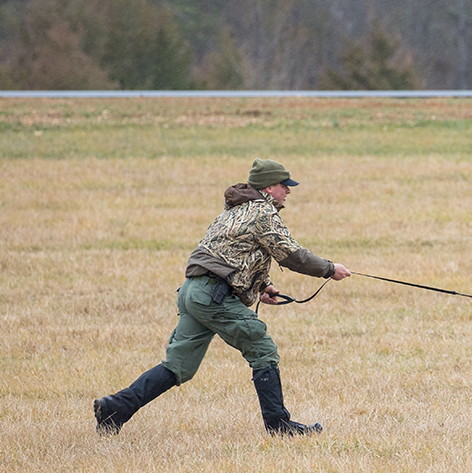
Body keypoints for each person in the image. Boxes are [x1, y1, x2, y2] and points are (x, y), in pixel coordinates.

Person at [94, 159, 352, 437]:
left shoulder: (234, 211)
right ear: (268, 187)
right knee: (262, 348)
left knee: (178, 365)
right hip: (213, 295)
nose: (288, 191)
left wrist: (262, 285)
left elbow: (232, 252)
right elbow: (291, 256)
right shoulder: (263, 213)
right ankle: (279, 425)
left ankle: (115, 408)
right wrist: (329, 269)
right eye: (283, 185)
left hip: (193, 291)